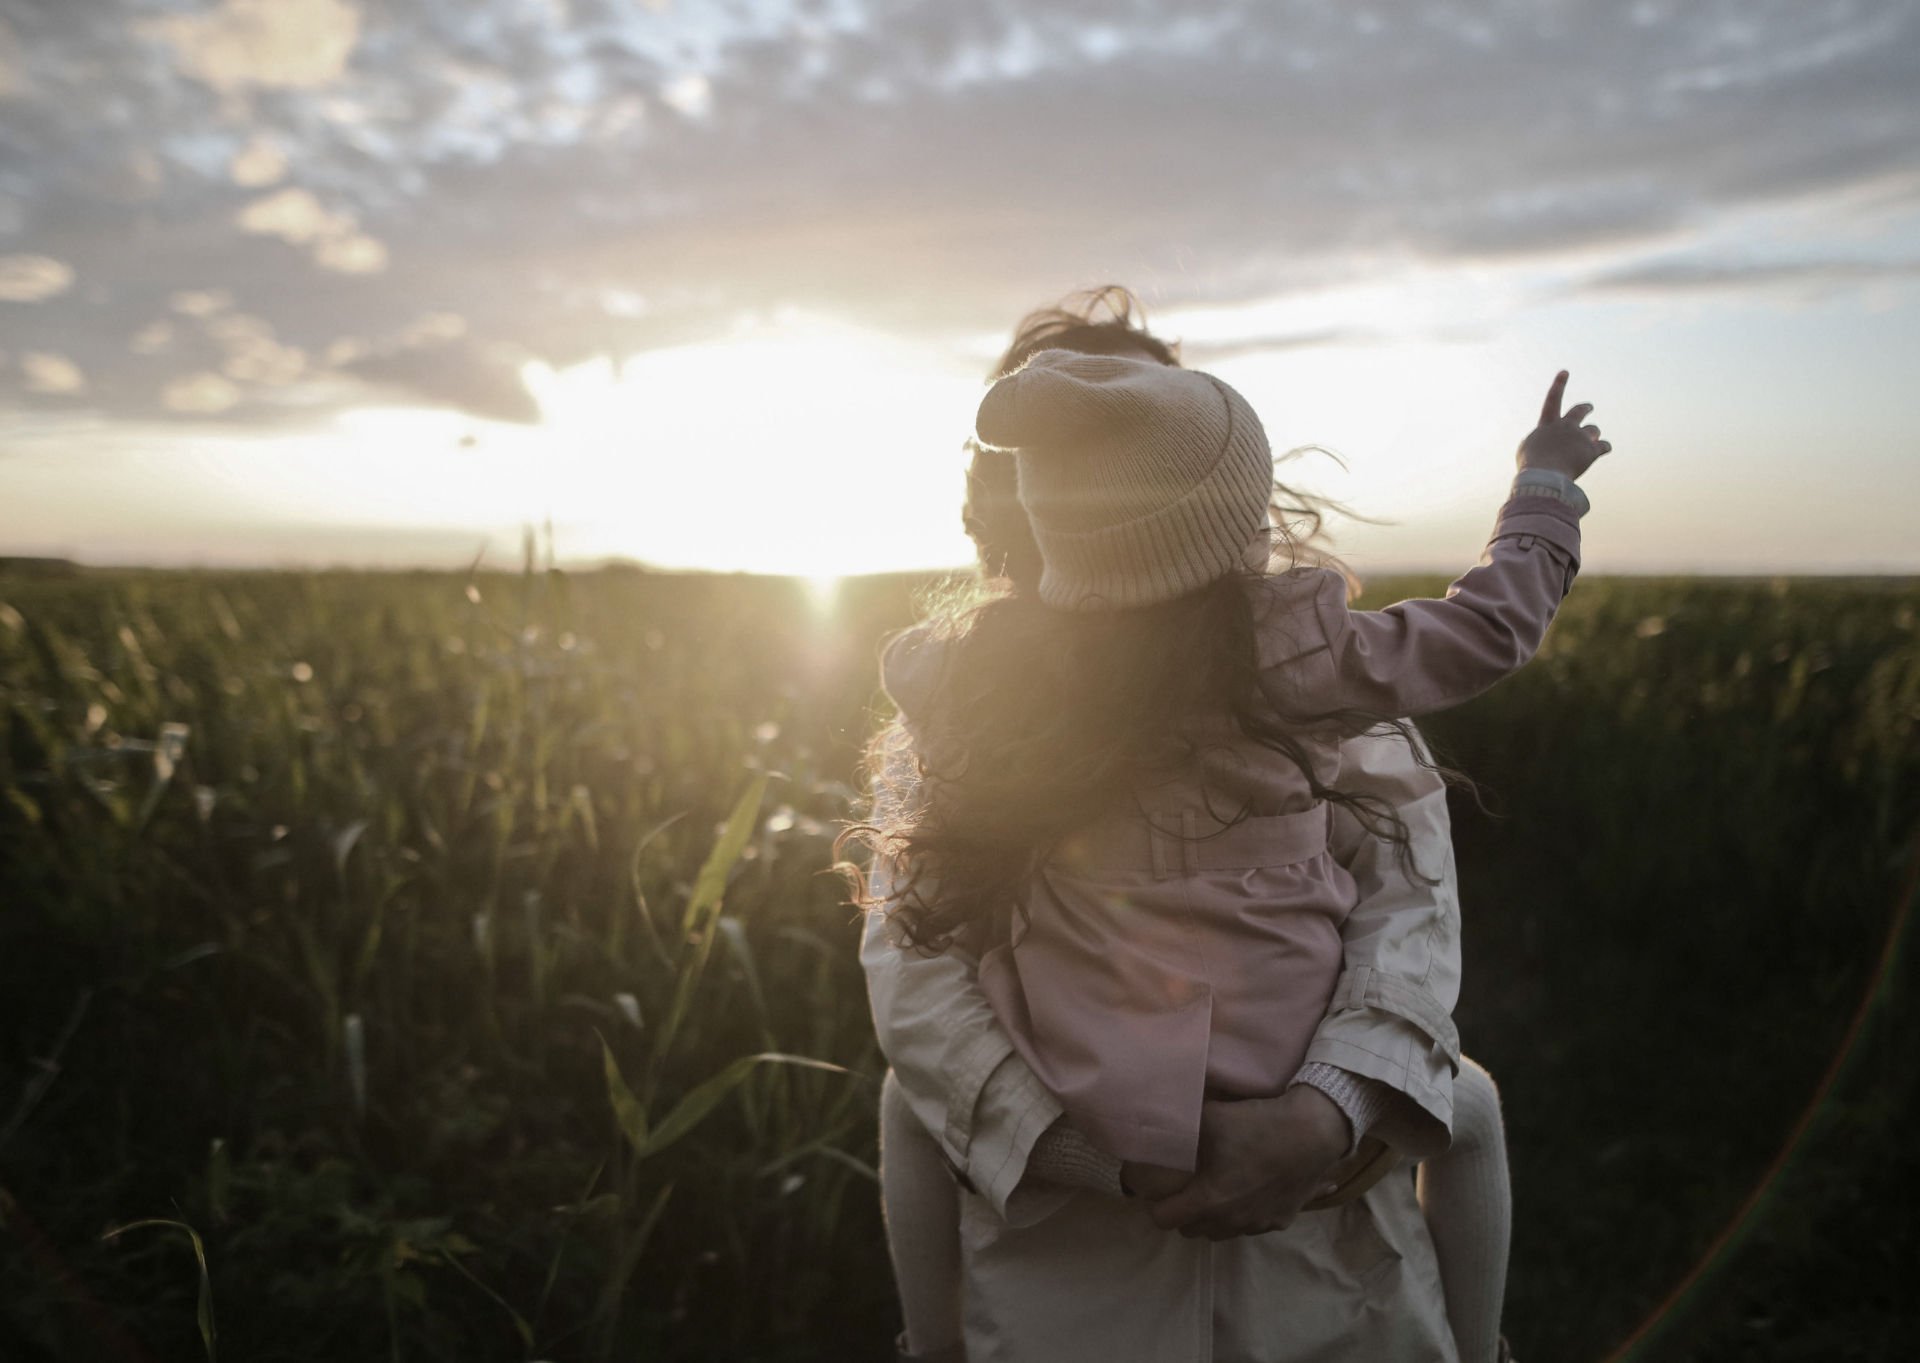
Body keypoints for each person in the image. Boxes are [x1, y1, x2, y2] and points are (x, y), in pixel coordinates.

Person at [854, 291, 1602, 1361]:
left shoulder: (979, 685)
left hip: (1329, 1255)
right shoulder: (1305, 664)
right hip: (1063, 1260)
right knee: (1466, 1101)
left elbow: (1408, 908)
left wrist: (1323, 1115)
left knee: (906, 1110)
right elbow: (915, 967)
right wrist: (1544, 494)